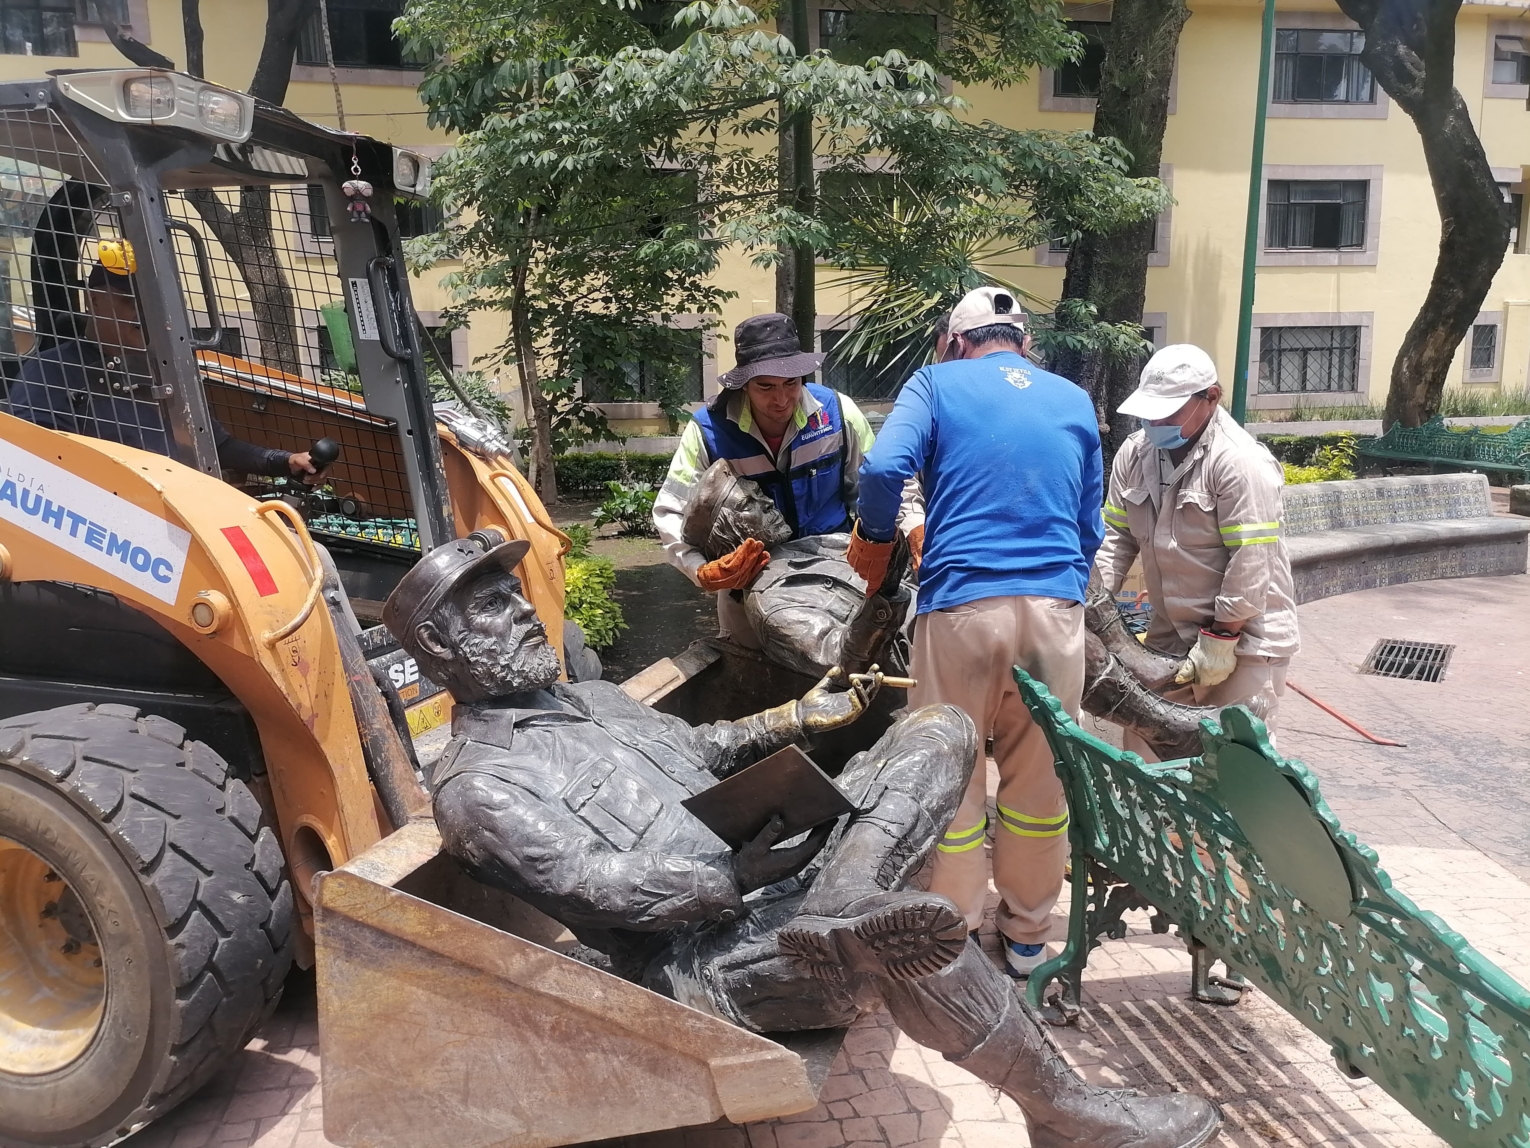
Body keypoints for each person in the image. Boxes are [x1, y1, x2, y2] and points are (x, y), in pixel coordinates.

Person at [383, 534, 1221, 1148]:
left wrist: (794, 718)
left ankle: (847, 894)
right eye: (493, 606)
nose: (525, 611)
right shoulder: (477, 787)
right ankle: (1067, 1113)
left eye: (515, 593)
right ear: (442, 645)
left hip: (778, 879)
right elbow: (594, 885)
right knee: (901, 945)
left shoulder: (590, 700)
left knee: (938, 729)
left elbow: (698, 748)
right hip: (695, 958)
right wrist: (730, 874)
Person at [847, 286, 1104, 979]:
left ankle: (953, 929)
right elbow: (1090, 522)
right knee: (1039, 782)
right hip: (1056, 612)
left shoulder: (935, 383)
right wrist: (1057, 583)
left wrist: (877, 538)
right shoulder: (1073, 398)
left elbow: (883, 468)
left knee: (951, 772)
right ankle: (1027, 936)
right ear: (1022, 342)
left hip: (962, 606)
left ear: (956, 342)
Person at [1094, 344, 1298, 747]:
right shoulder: (1135, 454)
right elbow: (1114, 539)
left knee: (1233, 755)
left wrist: (1220, 641)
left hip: (1244, 640)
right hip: (1170, 633)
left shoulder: (1239, 461)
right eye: (1150, 411)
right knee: (1146, 748)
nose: (1156, 422)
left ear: (1211, 398)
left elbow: (1251, 561)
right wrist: (1092, 608)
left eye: (1169, 411)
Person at [4, 240, 325, 482]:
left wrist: (283, 462)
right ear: (94, 301)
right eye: (131, 301)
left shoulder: (166, 373)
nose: (144, 314)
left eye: (151, 303)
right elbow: (38, 465)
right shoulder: (51, 373)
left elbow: (216, 446)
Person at [653, 313, 875, 648]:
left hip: (838, 580)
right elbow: (670, 510)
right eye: (765, 387)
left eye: (791, 383)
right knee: (749, 673)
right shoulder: (708, 431)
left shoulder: (838, 414)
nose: (781, 400)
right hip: (747, 591)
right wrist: (701, 569)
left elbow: (876, 488)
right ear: (743, 384)